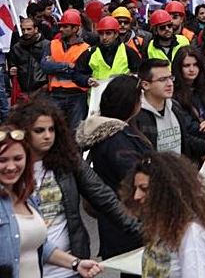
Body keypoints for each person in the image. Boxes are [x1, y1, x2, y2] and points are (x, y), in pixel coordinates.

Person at [8, 100, 141, 274]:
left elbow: (104, 197)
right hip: (25, 265)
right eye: (39, 131)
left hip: (69, 263)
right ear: (23, 132)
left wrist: (142, 230)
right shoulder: (10, 169)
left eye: (51, 129)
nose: (47, 136)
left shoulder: (68, 161)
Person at [0, 125, 103, 277]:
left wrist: (76, 263)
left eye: (18, 158)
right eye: (2, 160)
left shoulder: (27, 196)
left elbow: (39, 246)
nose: (11, 166)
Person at [76, 75, 152, 260]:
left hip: (118, 223)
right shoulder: (118, 140)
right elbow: (135, 178)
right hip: (128, 225)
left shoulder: (113, 133)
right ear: (131, 103)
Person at [127, 152, 205, 277]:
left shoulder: (191, 233)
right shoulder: (160, 228)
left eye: (144, 188)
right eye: (135, 189)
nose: (136, 196)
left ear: (166, 191)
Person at [131, 59, 205, 161]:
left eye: (171, 78)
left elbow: (184, 139)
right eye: (162, 80)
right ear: (145, 85)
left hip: (180, 170)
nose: (170, 83)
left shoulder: (174, 106)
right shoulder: (137, 116)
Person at [41, 9, 91, 131]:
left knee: (76, 133)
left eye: (65, 26)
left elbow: (81, 71)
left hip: (77, 96)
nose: (61, 29)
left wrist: (55, 65)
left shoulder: (86, 48)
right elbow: (45, 67)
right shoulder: (52, 44)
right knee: (56, 132)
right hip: (55, 95)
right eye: (61, 26)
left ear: (75, 29)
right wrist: (68, 66)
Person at [75, 16, 142, 87]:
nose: (104, 37)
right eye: (101, 33)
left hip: (122, 95)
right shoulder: (90, 52)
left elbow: (140, 73)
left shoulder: (128, 52)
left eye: (108, 33)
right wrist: (87, 80)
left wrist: (130, 79)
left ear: (116, 34)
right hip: (98, 94)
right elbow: (77, 74)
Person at [8, 17, 49, 101]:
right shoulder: (16, 48)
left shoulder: (47, 45)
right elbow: (12, 66)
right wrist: (11, 70)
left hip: (43, 90)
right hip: (24, 93)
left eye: (29, 29)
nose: (25, 32)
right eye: (23, 29)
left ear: (36, 29)